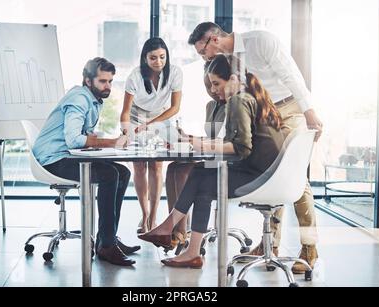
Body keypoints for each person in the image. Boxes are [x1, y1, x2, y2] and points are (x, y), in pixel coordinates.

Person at [187, 22, 322, 273]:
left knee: (293, 177)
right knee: (272, 172)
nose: (203, 58)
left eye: (201, 52)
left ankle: (309, 247)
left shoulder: (260, 41)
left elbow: (292, 75)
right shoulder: (230, 62)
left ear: (213, 40)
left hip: (290, 108)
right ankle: (271, 244)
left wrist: (309, 113)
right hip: (266, 115)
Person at [138, 54, 289, 268]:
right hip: (269, 175)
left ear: (234, 79)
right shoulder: (251, 97)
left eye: (217, 83)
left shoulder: (239, 100)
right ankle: (184, 244)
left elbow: (241, 148)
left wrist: (196, 143)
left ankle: (171, 232)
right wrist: (193, 140)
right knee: (201, 174)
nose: (214, 89)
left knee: (202, 179)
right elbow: (236, 142)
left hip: (261, 179)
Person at [32, 57, 140, 266]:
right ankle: (106, 246)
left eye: (110, 81)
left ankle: (107, 238)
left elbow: (81, 136)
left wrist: (100, 142)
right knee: (110, 175)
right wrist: (112, 143)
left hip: (65, 155)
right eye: (102, 81)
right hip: (53, 160)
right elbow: (73, 140)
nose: (107, 86)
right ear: (88, 81)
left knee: (123, 172)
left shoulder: (93, 99)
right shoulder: (80, 99)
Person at [120, 37, 183, 233]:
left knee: (156, 166)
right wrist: (125, 130)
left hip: (161, 117)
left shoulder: (175, 72)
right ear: (145, 58)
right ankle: (145, 214)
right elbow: (125, 110)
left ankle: (154, 217)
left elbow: (175, 108)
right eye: (153, 58)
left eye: (162, 57)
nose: (158, 62)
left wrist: (151, 124)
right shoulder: (135, 76)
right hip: (137, 117)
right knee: (139, 166)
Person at [165, 61, 226, 250]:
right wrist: (186, 137)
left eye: (215, 85)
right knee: (174, 167)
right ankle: (177, 229)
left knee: (185, 171)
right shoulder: (211, 106)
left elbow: (223, 141)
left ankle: (180, 232)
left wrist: (192, 141)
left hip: (224, 161)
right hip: (213, 154)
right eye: (208, 86)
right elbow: (211, 138)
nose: (212, 90)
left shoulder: (233, 105)